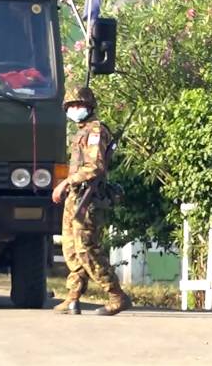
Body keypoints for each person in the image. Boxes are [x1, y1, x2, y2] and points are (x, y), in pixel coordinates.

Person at [51, 86, 132, 316]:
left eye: (79, 105)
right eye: (71, 106)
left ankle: (117, 295)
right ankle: (73, 297)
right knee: (71, 248)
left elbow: (95, 167)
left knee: (87, 248)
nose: (74, 109)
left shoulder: (95, 131)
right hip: (76, 196)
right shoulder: (81, 131)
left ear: (89, 106)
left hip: (88, 196)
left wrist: (65, 183)